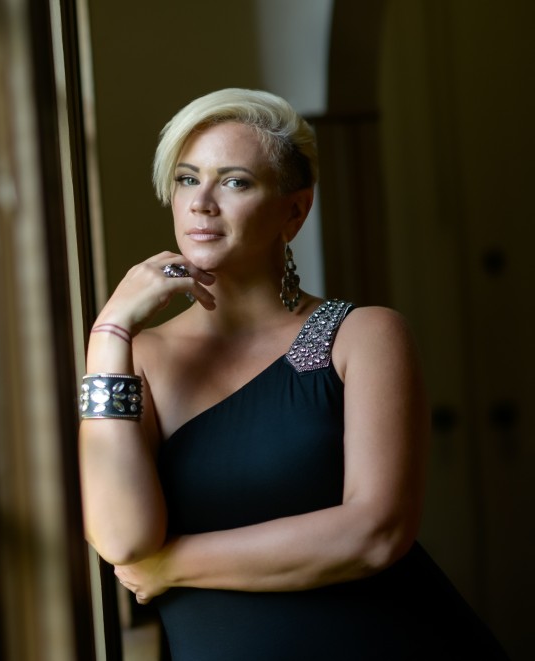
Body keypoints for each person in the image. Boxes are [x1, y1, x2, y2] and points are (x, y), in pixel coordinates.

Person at [78, 88, 509, 659]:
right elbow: (122, 539)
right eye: (187, 179)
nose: (201, 202)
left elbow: (376, 533)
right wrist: (108, 333)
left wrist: (169, 566)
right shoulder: (138, 360)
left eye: (235, 182)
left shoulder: (363, 336)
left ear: (295, 211)